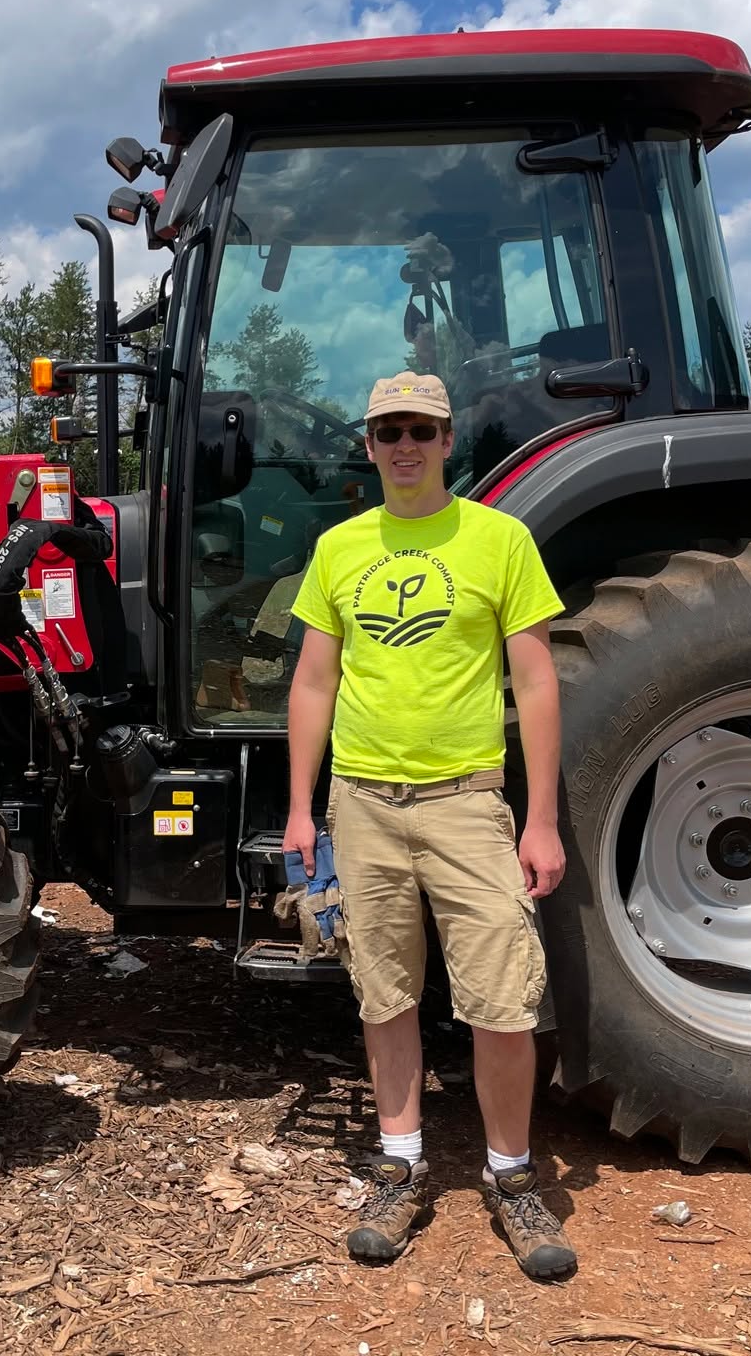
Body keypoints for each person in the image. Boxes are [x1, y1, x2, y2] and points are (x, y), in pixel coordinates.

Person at [284, 372, 577, 1280]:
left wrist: (540, 820)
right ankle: (401, 1164)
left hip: (465, 799)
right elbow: (313, 684)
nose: (403, 445)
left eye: (420, 429)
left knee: (500, 997)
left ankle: (510, 1173)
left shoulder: (500, 540)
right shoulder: (338, 548)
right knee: (386, 992)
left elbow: (534, 683)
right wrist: (300, 807)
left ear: (449, 441)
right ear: (368, 446)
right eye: (386, 431)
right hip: (364, 803)